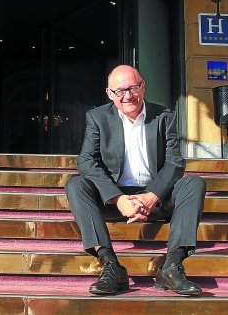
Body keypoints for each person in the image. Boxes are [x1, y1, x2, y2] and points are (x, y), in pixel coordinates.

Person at [65, 65, 207, 296]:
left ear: (143, 86)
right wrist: (119, 199)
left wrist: (151, 196)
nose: (128, 96)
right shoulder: (98, 117)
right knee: (76, 184)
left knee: (194, 183)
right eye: (119, 91)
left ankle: (171, 267)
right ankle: (110, 264)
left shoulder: (164, 116)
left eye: (133, 88)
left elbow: (174, 162)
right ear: (109, 94)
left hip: (157, 197)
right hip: (115, 199)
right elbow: (86, 162)